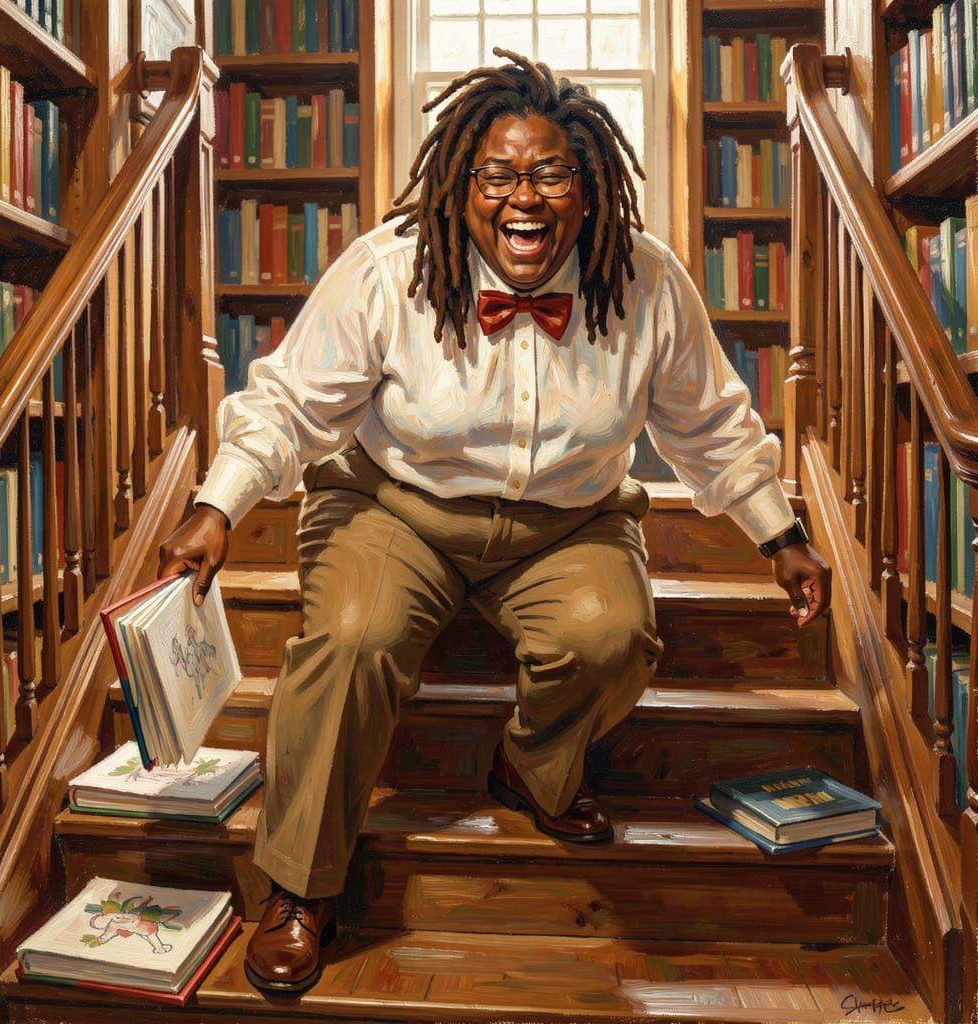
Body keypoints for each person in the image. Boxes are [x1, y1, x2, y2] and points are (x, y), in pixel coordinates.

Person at [158, 49, 831, 995]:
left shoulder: (647, 280)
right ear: (461, 185)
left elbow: (711, 423)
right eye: (500, 174)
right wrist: (215, 503)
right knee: (354, 638)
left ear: (590, 185)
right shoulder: (388, 269)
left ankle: (530, 773)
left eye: (552, 172)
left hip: (567, 521)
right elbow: (288, 409)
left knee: (613, 636)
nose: (527, 196)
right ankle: (301, 886)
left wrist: (780, 533)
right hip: (396, 507)